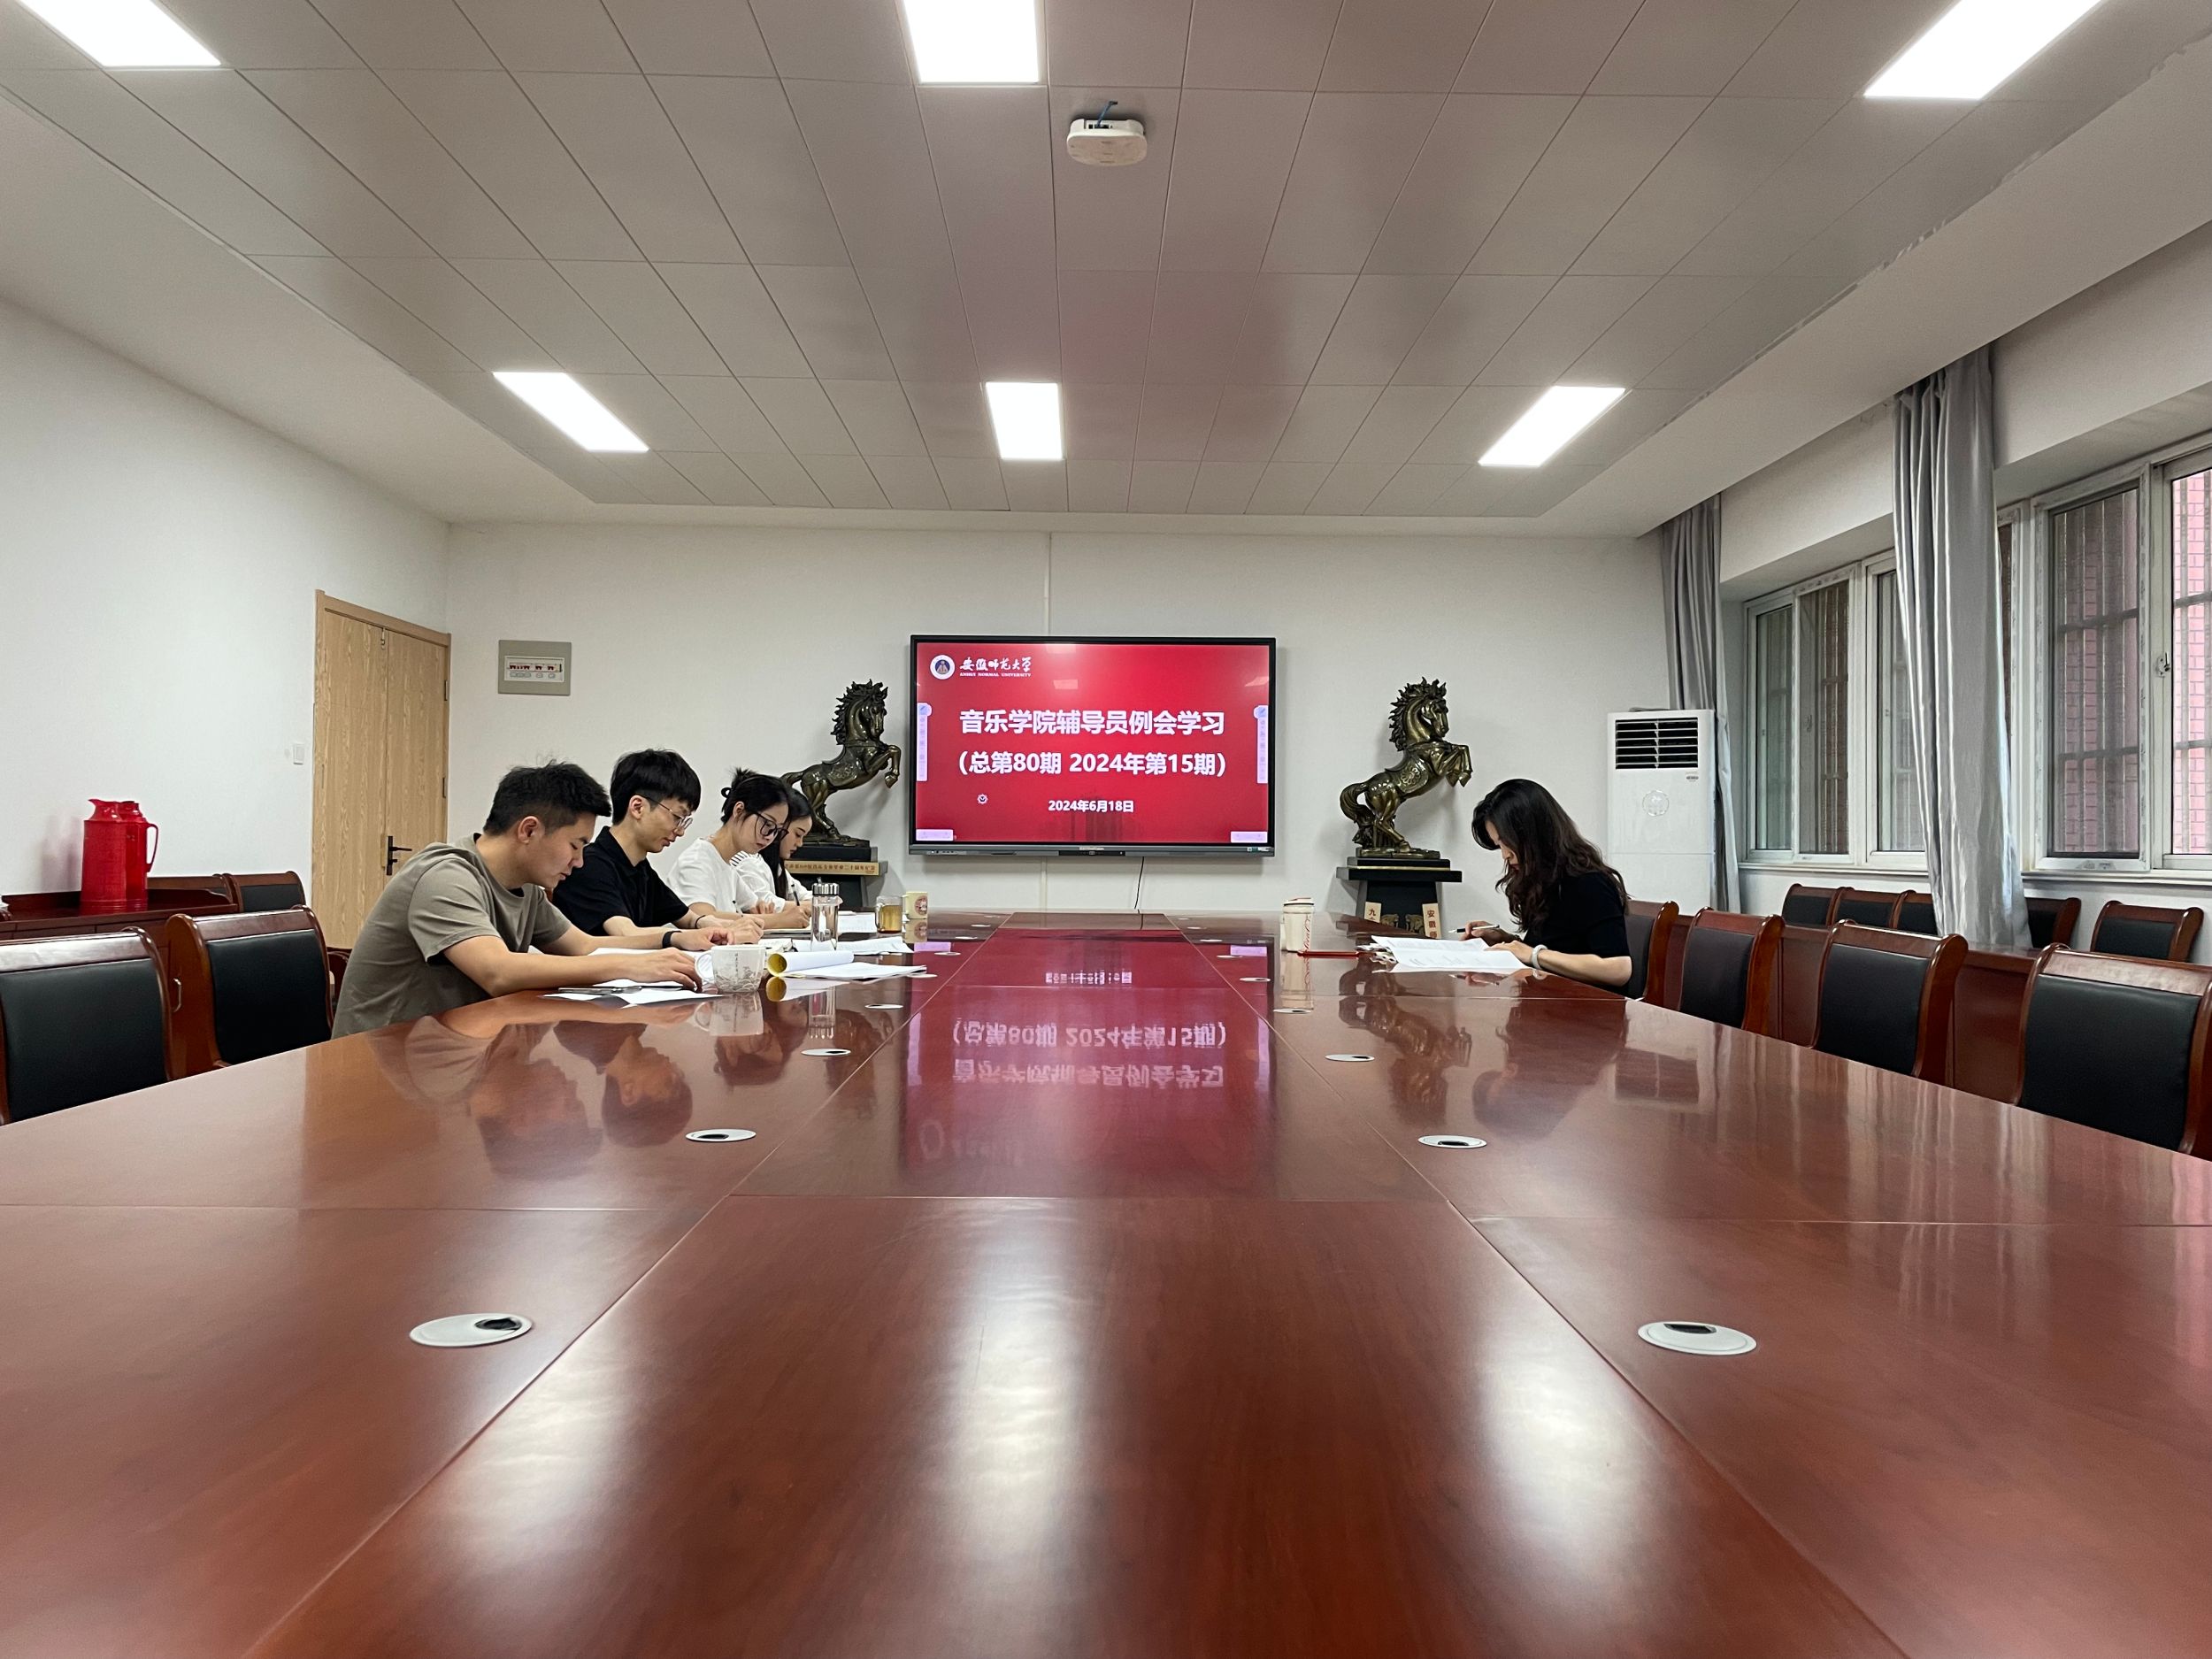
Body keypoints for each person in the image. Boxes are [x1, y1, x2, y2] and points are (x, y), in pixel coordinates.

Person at [334, 761, 733, 1037]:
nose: (580, 861)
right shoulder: (445, 876)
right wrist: (631, 966)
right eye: (575, 845)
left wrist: (670, 941)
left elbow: (584, 946)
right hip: (381, 1063)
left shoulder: (524, 888)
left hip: (448, 1050)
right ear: (529, 830)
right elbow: (497, 971)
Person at [554, 749, 764, 942]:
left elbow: (691, 919)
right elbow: (626, 933)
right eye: (677, 817)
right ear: (638, 807)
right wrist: (688, 936)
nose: (680, 831)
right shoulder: (590, 865)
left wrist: (729, 926)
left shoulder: (640, 868)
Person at [1458, 777, 1633, 990]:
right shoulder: (1545, 880)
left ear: (1534, 834)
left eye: (1507, 842)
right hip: (1549, 998)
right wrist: (1505, 940)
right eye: (1499, 845)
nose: (1505, 855)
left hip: (1587, 1005)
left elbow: (1618, 969)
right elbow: (1556, 945)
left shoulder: (1590, 882)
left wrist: (1532, 954)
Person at [672, 769, 802, 922]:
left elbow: (757, 906)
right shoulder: (697, 861)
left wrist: (762, 909)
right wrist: (777, 920)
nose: (769, 837)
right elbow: (701, 917)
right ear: (739, 810)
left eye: (777, 831)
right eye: (767, 825)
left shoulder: (727, 865)